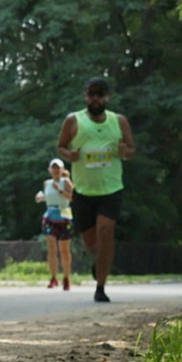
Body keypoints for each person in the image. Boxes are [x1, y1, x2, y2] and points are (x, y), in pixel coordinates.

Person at [56, 77, 136, 303]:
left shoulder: (119, 121)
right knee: (93, 245)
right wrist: (69, 155)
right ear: (85, 96)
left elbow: (131, 150)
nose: (95, 98)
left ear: (107, 97)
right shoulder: (73, 120)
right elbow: (60, 146)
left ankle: (100, 287)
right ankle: (102, 261)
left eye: (100, 94)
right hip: (83, 191)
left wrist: (124, 152)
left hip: (111, 189)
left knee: (106, 232)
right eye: (91, 94)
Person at [35, 159, 74, 290]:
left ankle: (66, 277)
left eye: (58, 168)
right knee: (52, 249)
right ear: (49, 170)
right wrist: (41, 198)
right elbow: (49, 197)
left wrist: (60, 190)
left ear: (62, 170)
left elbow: (73, 198)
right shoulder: (47, 183)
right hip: (50, 216)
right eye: (53, 168)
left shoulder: (66, 182)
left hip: (64, 216)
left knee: (64, 250)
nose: (56, 171)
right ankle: (53, 278)